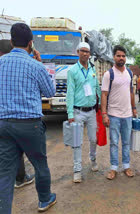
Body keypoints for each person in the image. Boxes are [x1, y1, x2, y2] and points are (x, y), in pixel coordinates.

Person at [0, 23, 56, 213]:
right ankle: (44, 200)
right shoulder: (35, 66)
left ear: (11, 41)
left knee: (5, 172)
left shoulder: (1, 63)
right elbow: (50, 92)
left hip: (3, 124)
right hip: (29, 125)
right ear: (31, 44)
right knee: (40, 163)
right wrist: (40, 63)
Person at [0, 39, 35, 188]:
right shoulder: (30, 65)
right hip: (22, 121)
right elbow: (49, 91)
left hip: (4, 121)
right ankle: (21, 178)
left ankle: (18, 178)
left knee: (7, 159)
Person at [66, 42, 101, 183]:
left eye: (87, 52)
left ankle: (93, 159)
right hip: (78, 111)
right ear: (77, 52)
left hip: (92, 111)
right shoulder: (72, 71)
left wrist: (102, 106)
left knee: (93, 139)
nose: (85, 54)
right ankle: (77, 169)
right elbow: (70, 93)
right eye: (82, 51)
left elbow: (97, 88)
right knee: (77, 142)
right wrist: (70, 114)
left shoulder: (92, 69)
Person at [101, 45, 137, 180]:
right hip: (114, 114)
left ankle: (126, 166)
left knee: (126, 142)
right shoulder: (108, 74)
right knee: (114, 142)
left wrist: (134, 108)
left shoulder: (129, 73)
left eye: (123, 56)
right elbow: (104, 95)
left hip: (127, 114)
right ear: (114, 57)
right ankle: (114, 168)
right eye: (118, 56)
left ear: (125, 58)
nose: (121, 58)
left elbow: (131, 92)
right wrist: (104, 114)